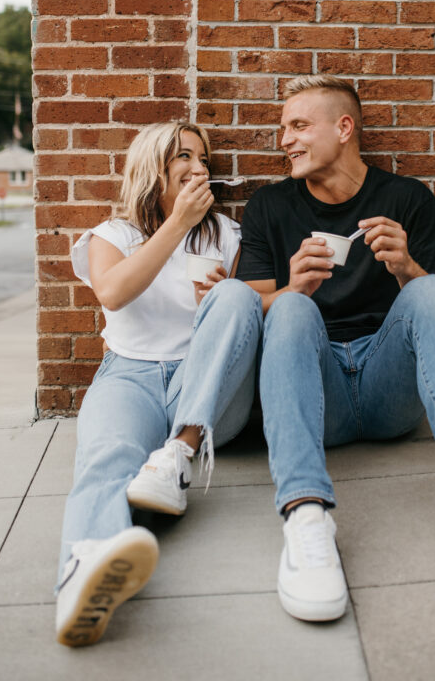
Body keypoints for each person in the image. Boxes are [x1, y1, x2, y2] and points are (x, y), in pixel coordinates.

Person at [236, 74, 435, 622]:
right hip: (318, 387)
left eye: (298, 126)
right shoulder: (269, 206)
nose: (284, 139)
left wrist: (406, 267)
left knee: (427, 287)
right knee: (291, 309)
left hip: (388, 386)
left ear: (345, 128)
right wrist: (292, 289)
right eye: (283, 128)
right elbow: (246, 311)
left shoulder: (406, 198)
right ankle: (306, 514)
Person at [56, 121, 262, 646]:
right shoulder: (113, 236)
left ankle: (177, 454)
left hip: (205, 384)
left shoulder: (225, 235)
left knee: (235, 298)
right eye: (185, 157)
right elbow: (113, 293)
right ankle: (83, 572)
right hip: (131, 374)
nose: (200, 169)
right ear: (153, 168)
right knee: (108, 454)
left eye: (204, 160)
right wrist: (175, 224)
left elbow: (246, 317)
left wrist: (216, 306)